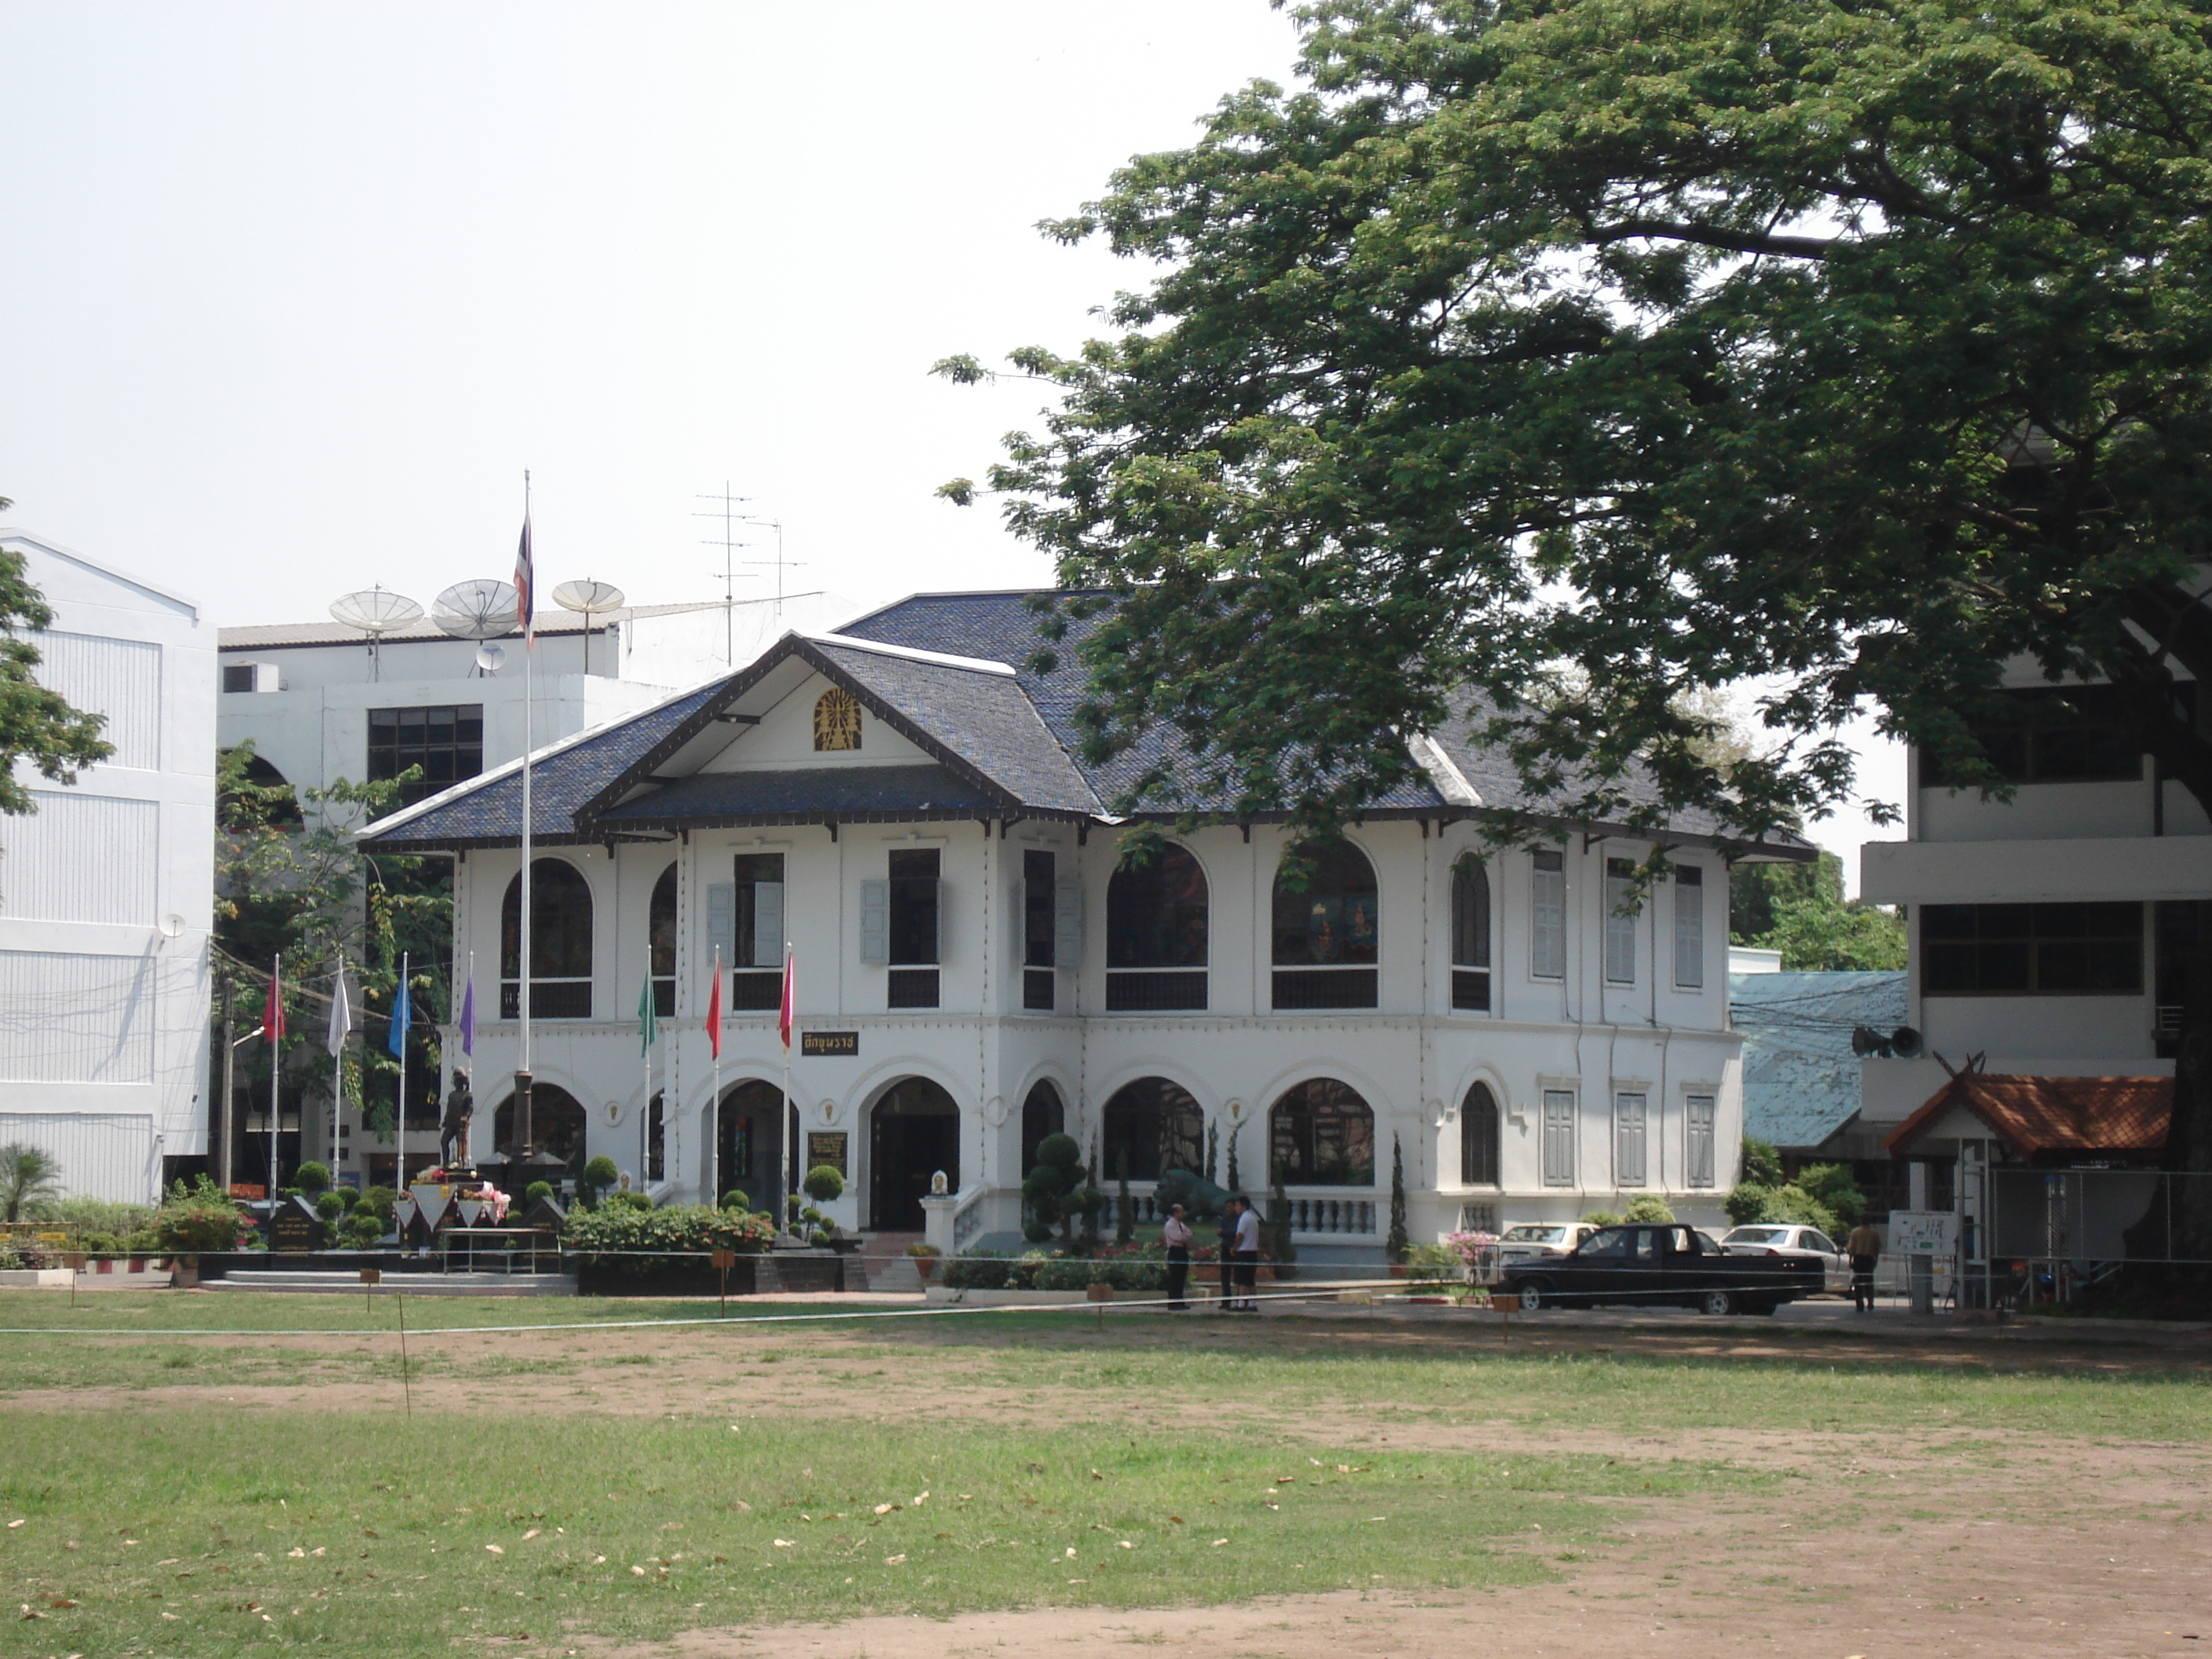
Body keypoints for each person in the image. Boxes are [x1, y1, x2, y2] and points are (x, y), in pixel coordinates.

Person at [1232, 1192, 1262, 1311]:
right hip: (1252, 1252)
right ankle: (1252, 1304)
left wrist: (1234, 1248)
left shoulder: (1244, 1218)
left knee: (1242, 1280)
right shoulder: (1253, 1218)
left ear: (1243, 1206)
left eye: (1238, 1206)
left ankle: (1241, 1304)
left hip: (1244, 1252)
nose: (1236, 1208)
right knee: (1250, 1280)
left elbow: (1240, 1235)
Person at [438, 1071, 474, 1170]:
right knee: (444, 1141)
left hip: (460, 1124)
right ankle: (446, 1162)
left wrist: (466, 1117)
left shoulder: (467, 1095)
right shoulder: (452, 1095)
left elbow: (470, 1108)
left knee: (461, 1143)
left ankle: (461, 1163)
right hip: (451, 1123)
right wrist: (445, 1121)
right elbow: (449, 1109)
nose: (456, 1082)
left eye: (458, 1080)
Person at [1845, 1218, 1883, 1311]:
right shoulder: (1874, 1233)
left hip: (1858, 1259)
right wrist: (1876, 1259)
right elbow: (1877, 1247)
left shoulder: (1855, 1232)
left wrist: (1850, 1260)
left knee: (1858, 1282)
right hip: (1869, 1259)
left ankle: (1859, 1304)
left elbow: (1851, 1248)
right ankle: (1870, 1302)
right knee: (1869, 1281)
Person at [1162, 1203, 1194, 1309]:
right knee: (1174, 1277)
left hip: (1182, 1251)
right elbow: (1177, 1237)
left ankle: (1180, 1302)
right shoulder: (1170, 1225)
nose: (1183, 1214)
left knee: (1181, 1277)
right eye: (1181, 1212)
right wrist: (1184, 1237)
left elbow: (1189, 1234)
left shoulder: (1181, 1225)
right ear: (1175, 1213)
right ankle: (1173, 1303)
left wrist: (1185, 1237)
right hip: (1175, 1251)